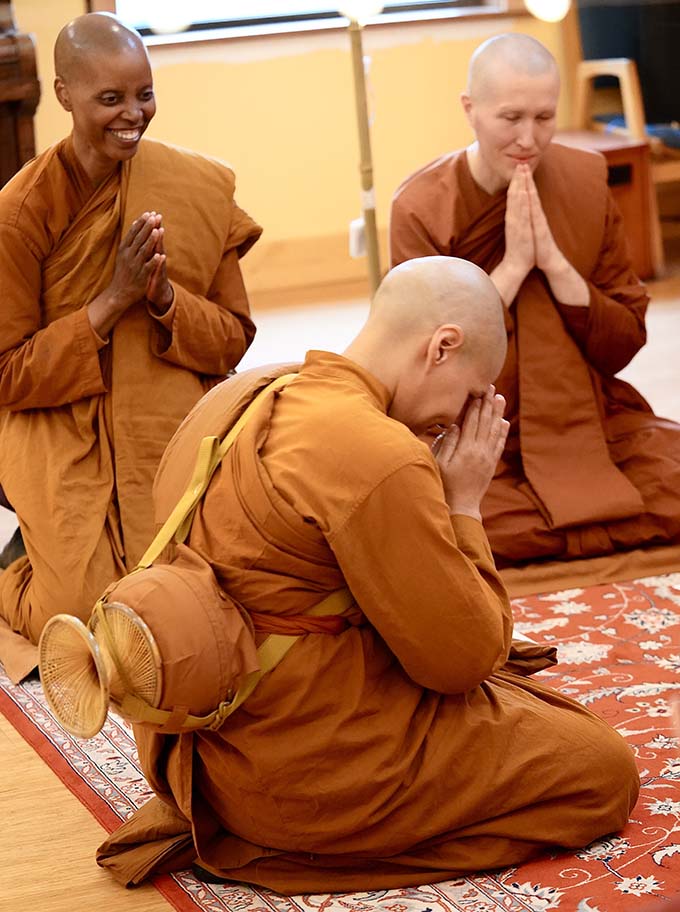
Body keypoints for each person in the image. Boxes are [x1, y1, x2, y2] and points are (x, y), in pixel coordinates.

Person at [96, 257, 639, 893]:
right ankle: (292, 852)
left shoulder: (241, 395)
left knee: (516, 698)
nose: (462, 419)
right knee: (601, 768)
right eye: (471, 393)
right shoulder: (379, 451)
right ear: (442, 346)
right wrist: (463, 503)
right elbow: (463, 661)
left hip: (187, 750)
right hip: (298, 781)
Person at [0, 12, 260, 681]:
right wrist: (111, 301)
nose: (133, 114)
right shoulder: (20, 213)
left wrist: (165, 298)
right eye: (110, 98)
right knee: (82, 611)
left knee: (200, 594)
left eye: (144, 94)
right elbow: (7, 373)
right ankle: (16, 566)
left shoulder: (193, 188)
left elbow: (233, 338)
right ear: (64, 95)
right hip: (61, 419)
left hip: (164, 408)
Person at [390, 34, 680, 568]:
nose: (529, 139)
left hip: (588, 418)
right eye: (511, 118)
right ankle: (588, 522)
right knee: (420, 515)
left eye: (544, 118)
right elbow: (419, 364)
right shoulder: (421, 207)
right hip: (475, 429)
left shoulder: (584, 182)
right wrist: (511, 269)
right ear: (470, 109)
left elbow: (624, 342)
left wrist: (556, 266)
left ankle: (554, 526)